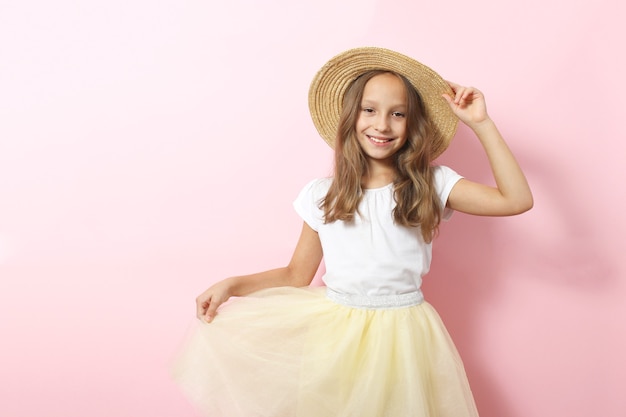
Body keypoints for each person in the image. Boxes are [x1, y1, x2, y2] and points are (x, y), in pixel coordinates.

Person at [171, 47, 533, 417]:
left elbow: (515, 199)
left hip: (406, 338)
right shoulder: (321, 195)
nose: (382, 125)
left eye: (398, 114)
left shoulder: (431, 183)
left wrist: (481, 123)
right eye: (369, 110)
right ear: (351, 116)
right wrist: (232, 285)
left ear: (412, 125)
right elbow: (296, 275)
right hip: (336, 341)